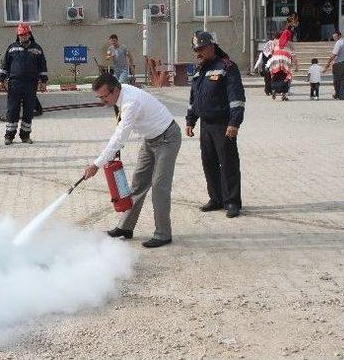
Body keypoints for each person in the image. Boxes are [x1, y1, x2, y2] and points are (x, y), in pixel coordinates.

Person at [83, 74, 181, 248]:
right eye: (99, 97)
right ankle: (125, 228)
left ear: (115, 90)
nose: (102, 101)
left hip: (167, 138)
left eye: (104, 97)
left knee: (159, 187)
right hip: (150, 139)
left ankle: (163, 234)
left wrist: (96, 164)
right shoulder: (120, 94)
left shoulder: (131, 102)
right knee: (138, 184)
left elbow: (120, 137)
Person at [186, 31, 245, 219]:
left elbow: (236, 98)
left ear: (212, 47)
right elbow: (194, 99)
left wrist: (234, 122)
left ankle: (232, 202)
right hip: (205, 125)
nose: (198, 53)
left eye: (201, 49)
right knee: (209, 162)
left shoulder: (227, 67)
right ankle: (216, 198)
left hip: (223, 124)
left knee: (228, 163)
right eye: (196, 50)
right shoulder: (199, 70)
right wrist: (190, 120)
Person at [0, 23, 48, 145]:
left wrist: (43, 82)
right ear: (18, 35)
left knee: (29, 110)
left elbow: (42, 66)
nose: (23, 37)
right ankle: (9, 136)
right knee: (12, 110)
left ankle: (25, 136)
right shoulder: (12, 48)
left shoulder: (37, 49)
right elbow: (5, 66)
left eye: (25, 34)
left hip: (31, 84)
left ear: (29, 34)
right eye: (21, 35)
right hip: (15, 84)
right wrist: (1, 81)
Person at [266, 24, 298, 101]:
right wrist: (296, 66)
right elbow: (293, 56)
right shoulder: (289, 43)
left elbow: (271, 52)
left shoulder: (276, 42)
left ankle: (274, 90)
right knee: (287, 77)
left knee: (275, 76)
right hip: (285, 60)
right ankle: (284, 95)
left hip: (275, 60)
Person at [323, 30, 344, 100]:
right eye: (334, 37)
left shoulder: (339, 43)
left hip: (339, 64)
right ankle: (341, 96)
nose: (334, 39)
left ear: (339, 36)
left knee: (336, 81)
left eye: (335, 37)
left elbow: (333, 55)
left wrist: (327, 64)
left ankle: (337, 94)